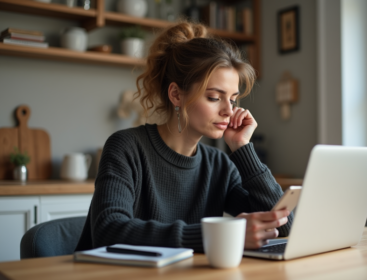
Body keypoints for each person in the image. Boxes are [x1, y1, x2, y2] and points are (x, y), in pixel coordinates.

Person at [75, 21, 293, 253]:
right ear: (176, 95)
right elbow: (108, 232)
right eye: (213, 97)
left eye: (232, 99)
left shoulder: (219, 165)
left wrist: (242, 148)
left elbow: (284, 226)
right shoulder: (126, 147)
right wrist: (218, 237)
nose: (229, 111)